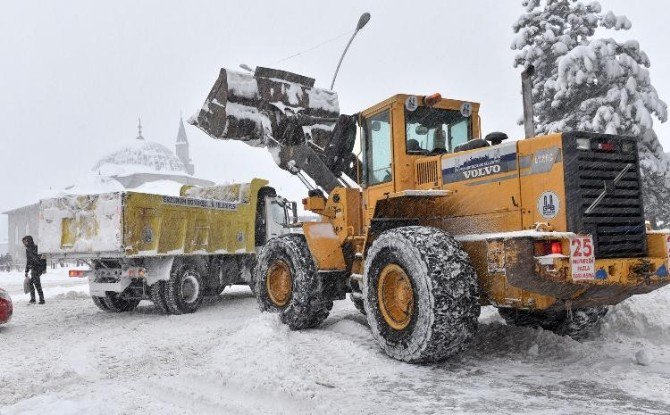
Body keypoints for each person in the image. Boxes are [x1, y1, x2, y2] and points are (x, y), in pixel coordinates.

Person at [22, 235, 46, 304]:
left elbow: (44, 258)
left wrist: (44, 268)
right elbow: (28, 261)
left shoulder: (37, 248)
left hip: (39, 267)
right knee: (31, 282)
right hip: (33, 268)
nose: (24, 244)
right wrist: (26, 270)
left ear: (29, 241)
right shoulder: (28, 250)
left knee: (36, 283)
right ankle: (34, 299)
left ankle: (41, 299)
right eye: (23, 242)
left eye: (25, 242)